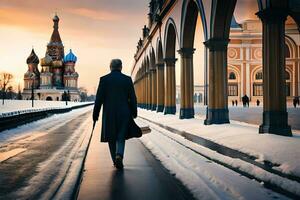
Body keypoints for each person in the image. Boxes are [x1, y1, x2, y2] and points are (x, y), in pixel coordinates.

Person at [93, 59, 142, 170]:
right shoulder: (127, 80)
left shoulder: (104, 80)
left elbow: (98, 99)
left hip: (109, 113)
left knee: (111, 137)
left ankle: (115, 161)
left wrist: (95, 115)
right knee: (121, 136)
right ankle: (119, 154)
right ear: (121, 67)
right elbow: (133, 98)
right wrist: (134, 112)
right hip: (124, 112)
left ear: (110, 67)